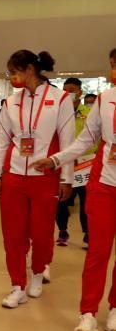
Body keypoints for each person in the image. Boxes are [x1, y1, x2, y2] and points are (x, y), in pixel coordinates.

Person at [33, 49, 116, 331]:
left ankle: (115, 307)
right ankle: (88, 314)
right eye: (113, 65)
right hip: (104, 185)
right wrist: (56, 159)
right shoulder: (105, 99)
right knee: (98, 251)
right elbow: (85, 140)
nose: (113, 72)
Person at [0, 51, 74, 308]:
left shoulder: (60, 99)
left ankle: (38, 272)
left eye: (14, 72)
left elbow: (68, 141)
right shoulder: (10, 103)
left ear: (29, 69)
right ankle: (17, 285)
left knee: (41, 232)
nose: (12, 78)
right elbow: (2, 142)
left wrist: (66, 178)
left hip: (45, 176)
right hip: (14, 176)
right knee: (12, 234)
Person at [55, 78, 92, 248]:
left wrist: (85, 155)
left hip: (85, 164)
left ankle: (87, 234)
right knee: (61, 200)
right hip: (64, 162)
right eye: (65, 90)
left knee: (86, 202)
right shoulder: (58, 112)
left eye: (71, 90)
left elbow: (96, 138)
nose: (68, 93)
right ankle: (62, 230)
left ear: (79, 92)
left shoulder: (90, 113)